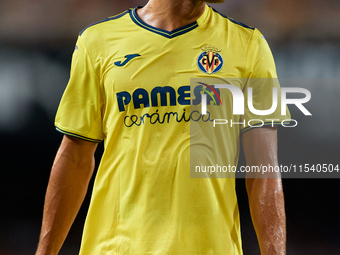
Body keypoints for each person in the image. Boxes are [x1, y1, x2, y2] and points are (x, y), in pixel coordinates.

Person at [36, 0, 289, 254]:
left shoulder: (249, 45)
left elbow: (263, 167)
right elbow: (75, 158)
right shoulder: (97, 41)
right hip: (116, 248)